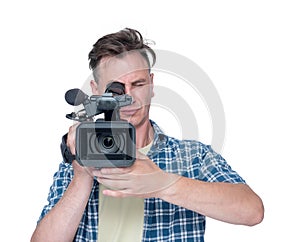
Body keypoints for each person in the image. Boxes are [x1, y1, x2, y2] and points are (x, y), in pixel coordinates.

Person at [31, 28, 264, 242]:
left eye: (138, 84)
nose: (129, 97)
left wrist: (163, 184)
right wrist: (82, 175)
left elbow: (252, 211)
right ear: (95, 90)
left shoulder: (192, 156)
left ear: (151, 85)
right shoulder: (79, 160)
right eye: (116, 88)